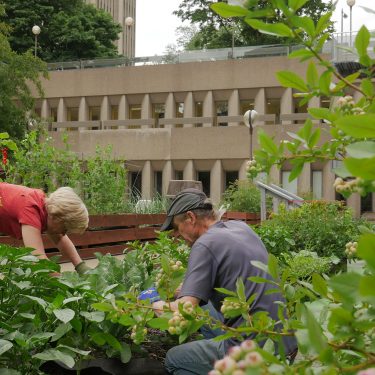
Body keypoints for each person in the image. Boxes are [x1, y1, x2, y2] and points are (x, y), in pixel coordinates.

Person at [151, 188, 297, 375]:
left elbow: (184, 308)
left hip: (254, 353)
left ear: (190, 218)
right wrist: (186, 289)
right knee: (204, 308)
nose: (177, 236)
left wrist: (154, 304)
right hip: (284, 340)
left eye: (176, 228)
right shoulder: (240, 227)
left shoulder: (203, 244)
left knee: (174, 359)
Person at [0, 182, 90, 274]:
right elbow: (37, 259)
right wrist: (66, 283)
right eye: (65, 229)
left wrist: (81, 266)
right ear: (57, 218)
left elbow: (61, 239)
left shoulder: (44, 206)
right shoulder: (30, 210)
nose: (63, 233)